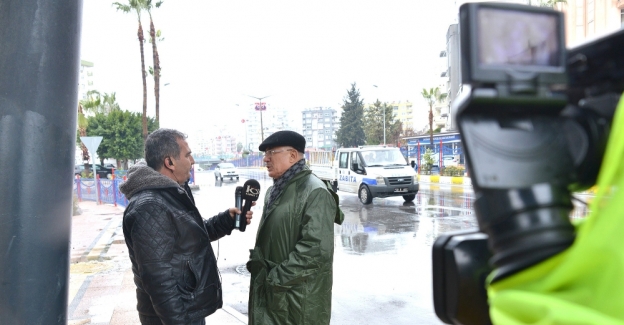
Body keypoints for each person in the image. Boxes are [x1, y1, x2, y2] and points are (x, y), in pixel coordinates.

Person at [119, 128, 253, 325]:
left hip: (184, 310)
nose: (193, 161)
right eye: (188, 155)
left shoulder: (171, 193)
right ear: (169, 162)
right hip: (171, 316)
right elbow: (158, 279)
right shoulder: (150, 206)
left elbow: (188, 238)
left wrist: (226, 221)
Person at [246, 130, 344, 325]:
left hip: (296, 304)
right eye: (265, 154)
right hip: (272, 297)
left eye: (271, 153)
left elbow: (315, 251)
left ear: (292, 155)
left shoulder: (315, 192)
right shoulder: (275, 190)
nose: (265, 159)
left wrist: (274, 279)